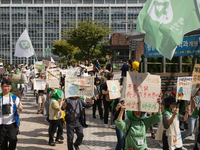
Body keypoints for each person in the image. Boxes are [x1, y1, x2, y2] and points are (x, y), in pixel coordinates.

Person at [0, 80, 23, 150]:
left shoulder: (15, 98)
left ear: (10, 87)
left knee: (13, 139)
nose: (6, 88)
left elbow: (20, 108)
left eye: (8, 86)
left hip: (11, 123)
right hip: (1, 124)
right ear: (1, 87)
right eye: (4, 86)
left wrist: (20, 107)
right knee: (2, 143)